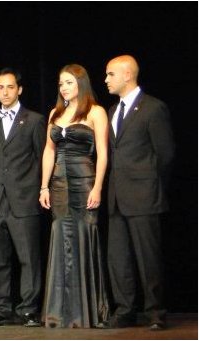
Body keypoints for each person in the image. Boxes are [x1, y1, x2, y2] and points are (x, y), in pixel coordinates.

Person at [102, 55, 174, 331]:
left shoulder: (153, 108)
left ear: (128, 75)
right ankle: (125, 310)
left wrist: (153, 187)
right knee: (118, 258)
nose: (106, 80)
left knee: (148, 257)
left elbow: (165, 154)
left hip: (144, 195)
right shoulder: (111, 112)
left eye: (110, 74)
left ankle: (155, 312)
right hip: (118, 196)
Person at [39, 64, 110, 328]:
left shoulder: (95, 112)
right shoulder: (55, 113)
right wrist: (44, 186)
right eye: (60, 83)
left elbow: (102, 152)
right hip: (58, 185)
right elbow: (49, 151)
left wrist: (98, 187)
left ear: (81, 83)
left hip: (85, 181)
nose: (63, 87)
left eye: (68, 82)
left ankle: (87, 312)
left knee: (83, 237)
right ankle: (60, 312)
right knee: (60, 238)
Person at [0, 68, 45, 328]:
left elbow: (41, 159)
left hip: (23, 198)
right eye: (0, 88)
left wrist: (37, 188)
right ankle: (1, 308)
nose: (5, 92)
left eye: (10, 87)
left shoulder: (35, 120)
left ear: (20, 89)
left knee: (28, 257)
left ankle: (28, 309)